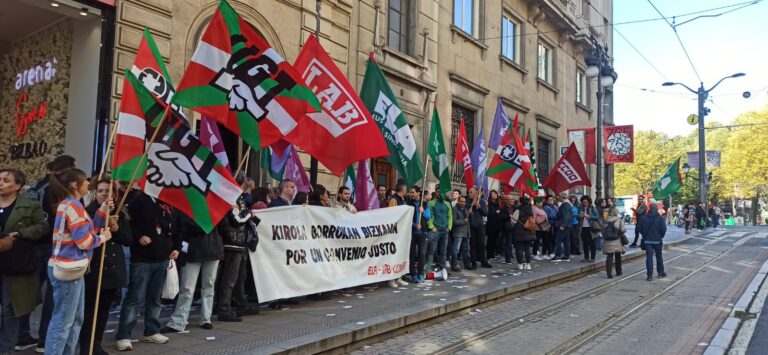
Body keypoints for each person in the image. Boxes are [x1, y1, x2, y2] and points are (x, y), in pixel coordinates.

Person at [46, 168, 112, 355]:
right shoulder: (74, 205)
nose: (88, 184)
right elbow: (85, 241)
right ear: (75, 184)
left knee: (73, 319)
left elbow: (85, 231)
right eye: (84, 182)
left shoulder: (70, 204)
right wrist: (103, 237)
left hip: (69, 268)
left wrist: (102, 211)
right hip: (69, 269)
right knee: (64, 322)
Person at [18, 155, 76, 352]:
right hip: (51, 247)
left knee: (28, 293)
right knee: (53, 295)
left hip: (30, 246)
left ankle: (21, 335)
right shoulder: (57, 191)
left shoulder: (35, 187)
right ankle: (45, 339)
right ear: (68, 169)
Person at [116, 190, 180, 351]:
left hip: (163, 257)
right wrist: (138, 236)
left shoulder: (169, 202)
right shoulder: (140, 200)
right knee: (134, 298)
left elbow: (177, 228)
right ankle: (124, 335)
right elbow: (128, 223)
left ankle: (152, 330)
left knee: (155, 298)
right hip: (143, 258)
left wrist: (177, 248)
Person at [78, 179, 132, 355]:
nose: (103, 194)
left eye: (107, 191)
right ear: (95, 193)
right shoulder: (87, 212)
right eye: (100, 190)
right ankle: (86, 345)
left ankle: (97, 343)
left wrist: (116, 228)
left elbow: (128, 239)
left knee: (103, 310)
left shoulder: (120, 213)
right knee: (89, 309)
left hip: (112, 268)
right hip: (94, 267)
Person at [0, 169, 48, 354]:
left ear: (18, 186)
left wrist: (21, 234)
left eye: (6, 180)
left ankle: (6, 349)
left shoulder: (30, 205)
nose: (1, 183)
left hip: (15, 263)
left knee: (9, 310)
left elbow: (42, 227)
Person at [163, 211, 223, 333]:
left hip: (211, 249)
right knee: (188, 288)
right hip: (194, 251)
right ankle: (179, 321)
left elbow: (225, 227)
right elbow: (187, 226)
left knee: (207, 286)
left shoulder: (215, 206)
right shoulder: (188, 206)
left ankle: (205, 318)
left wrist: (231, 213)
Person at [386, 183, 409, 287]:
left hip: (402, 232)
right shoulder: (393, 200)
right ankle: (391, 279)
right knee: (393, 256)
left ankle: (399, 277)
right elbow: (391, 215)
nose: (406, 190)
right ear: (402, 189)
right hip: (395, 232)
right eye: (405, 189)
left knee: (400, 255)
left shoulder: (403, 199)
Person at [638, 204, 667, 281]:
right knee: (659, 256)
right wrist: (661, 236)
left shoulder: (643, 218)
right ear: (656, 209)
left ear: (649, 209)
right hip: (657, 240)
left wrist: (644, 235)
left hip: (647, 241)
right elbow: (663, 229)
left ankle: (649, 275)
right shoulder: (660, 219)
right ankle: (660, 272)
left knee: (649, 257)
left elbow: (639, 228)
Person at [426, 189, 452, 273]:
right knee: (431, 250)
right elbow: (428, 216)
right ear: (435, 193)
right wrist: (431, 226)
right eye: (438, 192)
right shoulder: (431, 203)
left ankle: (442, 268)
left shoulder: (447, 203)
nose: (440, 193)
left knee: (443, 251)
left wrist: (449, 227)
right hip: (435, 230)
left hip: (445, 230)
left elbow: (450, 216)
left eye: (442, 192)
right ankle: (429, 268)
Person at [407, 187, 430, 283]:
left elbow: (428, 217)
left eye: (413, 192)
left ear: (418, 193)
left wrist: (423, 211)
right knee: (411, 254)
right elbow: (406, 219)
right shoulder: (408, 203)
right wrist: (414, 225)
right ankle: (413, 274)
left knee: (422, 254)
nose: (411, 194)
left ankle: (421, 273)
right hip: (412, 233)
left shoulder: (425, 204)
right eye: (410, 192)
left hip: (423, 233)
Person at [602, 198, 626, 278]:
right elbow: (623, 230)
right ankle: (619, 272)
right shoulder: (619, 220)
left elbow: (603, 230)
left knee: (609, 257)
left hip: (608, 241)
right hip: (617, 241)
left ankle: (609, 274)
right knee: (618, 256)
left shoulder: (605, 220)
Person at [468, 187, 490, 269]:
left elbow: (486, 213)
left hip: (480, 225)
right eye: (469, 192)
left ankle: (484, 261)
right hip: (471, 226)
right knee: (472, 244)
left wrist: (479, 207)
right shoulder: (467, 201)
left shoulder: (481, 201)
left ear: (476, 193)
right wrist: (470, 209)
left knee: (482, 244)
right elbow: (465, 212)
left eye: (471, 192)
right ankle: (473, 263)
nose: (469, 194)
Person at [512, 196, 536, 270]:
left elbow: (513, 221)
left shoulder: (517, 210)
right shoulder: (530, 210)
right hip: (529, 231)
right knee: (527, 249)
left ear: (520, 202)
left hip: (519, 232)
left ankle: (520, 264)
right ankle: (528, 264)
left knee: (519, 249)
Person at [450, 196, 471, 272]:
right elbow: (454, 221)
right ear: (458, 201)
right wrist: (463, 221)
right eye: (461, 201)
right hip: (458, 232)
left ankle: (467, 264)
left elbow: (468, 219)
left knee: (466, 250)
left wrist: (470, 213)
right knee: (456, 250)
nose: (463, 203)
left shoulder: (465, 209)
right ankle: (454, 265)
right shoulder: (454, 209)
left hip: (466, 232)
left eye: (464, 201)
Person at [578, 196, 600, 262]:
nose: (585, 203)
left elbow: (597, 217)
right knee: (585, 243)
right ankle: (586, 257)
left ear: (589, 202)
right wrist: (579, 216)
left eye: (586, 202)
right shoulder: (580, 208)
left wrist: (589, 216)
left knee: (592, 243)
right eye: (583, 202)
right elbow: (578, 218)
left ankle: (593, 258)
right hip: (583, 227)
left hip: (591, 228)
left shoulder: (592, 208)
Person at [552, 193, 573, 262]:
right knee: (566, 241)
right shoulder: (568, 204)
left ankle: (558, 256)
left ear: (562, 197)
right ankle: (566, 256)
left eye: (559, 197)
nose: (558, 198)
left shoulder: (565, 205)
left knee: (558, 240)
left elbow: (565, 216)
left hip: (564, 225)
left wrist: (563, 225)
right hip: (568, 225)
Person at [498, 195, 516, 264]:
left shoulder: (515, 208)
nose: (512, 201)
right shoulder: (503, 208)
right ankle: (507, 259)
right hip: (507, 228)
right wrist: (508, 216)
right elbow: (500, 218)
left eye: (513, 199)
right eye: (510, 199)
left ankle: (513, 256)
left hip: (515, 228)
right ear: (507, 201)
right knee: (507, 244)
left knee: (515, 243)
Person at [486, 190, 501, 259]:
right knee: (490, 241)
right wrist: (496, 212)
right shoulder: (489, 203)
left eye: (496, 193)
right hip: (491, 225)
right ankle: (489, 255)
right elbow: (489, 213)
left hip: (497, 225)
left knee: (495, 241)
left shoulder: (497, 203)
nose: (495, 195)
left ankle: (493, 254)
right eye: (493, 193)